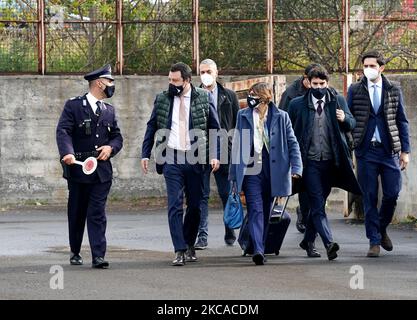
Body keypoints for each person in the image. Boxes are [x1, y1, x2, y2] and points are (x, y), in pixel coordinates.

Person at [141, 62, 221, 266]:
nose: (171, 83)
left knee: (195, 206)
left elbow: (214, 128)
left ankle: (189, 243)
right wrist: (145, 154)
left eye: (175, 80)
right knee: (174, 204)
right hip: (171, 158)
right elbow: (152, 126)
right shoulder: (162, 98)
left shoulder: (204, 97)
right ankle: (179, 249)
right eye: (169, 79)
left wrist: (215, 155)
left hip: (196, 158)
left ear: (186, 80)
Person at [288, 65, 361, 261]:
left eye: (322, 83)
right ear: (308, 83)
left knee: (317, 205)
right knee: (317, 203)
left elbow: (352, 123)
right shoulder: (297, 104)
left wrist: (344, 118)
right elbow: (290, 132)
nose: (319, 87)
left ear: (327, 83)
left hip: (331, 162)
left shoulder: (337, 100)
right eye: (315, 84)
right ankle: (329, 243)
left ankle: (308, 241)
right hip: (309, 162)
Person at [56, 64, 123, 269]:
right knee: (77, 211)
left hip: (101, 171)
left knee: (97, 212)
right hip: (78, 168)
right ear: (98, 83)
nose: (112, 85)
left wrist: (110, 148)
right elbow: (63, 131)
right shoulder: (74, 106)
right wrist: (67, 152)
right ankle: (75, 250)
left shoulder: (109, 111)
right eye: (109, 81)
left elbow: (117, 137)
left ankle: (98, 255)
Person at [229, 82, 302, 265]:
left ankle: (259, 245)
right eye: (249, 94)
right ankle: (259, 250)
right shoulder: (242, 115)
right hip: (251, 170)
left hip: (273, 170)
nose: (250, 98)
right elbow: (237, 145)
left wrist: (296, 168)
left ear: (264, 97)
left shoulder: (281, 116)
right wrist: (234, 176)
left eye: (253, 95)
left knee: (266, 211)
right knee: (255, 209)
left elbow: (292, 142)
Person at [347, 50, 410, 257]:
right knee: (369, 196)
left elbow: (402, 120)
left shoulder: (393, 89)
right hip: (366, 151)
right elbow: (349, 120)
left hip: (389, 150)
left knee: (392, 193)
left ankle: (381, 228)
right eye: (365, 65)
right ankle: (373, 240)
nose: (368, 69)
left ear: (381, 68)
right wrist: (351, 144)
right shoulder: (355, 89)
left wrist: (405, 151)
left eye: (372, 66)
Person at [195, 58, 240, 249]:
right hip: (199, 150)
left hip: (224, 150)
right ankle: (202, 236)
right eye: (202, 72)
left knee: (225, 193)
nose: (205, 75)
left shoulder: (229, 96)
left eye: (208, 71)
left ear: (216, 73)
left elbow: (237, 125)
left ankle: (229, 227)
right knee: (201, 195)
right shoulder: (193, 96)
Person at [278, 63, 319, 234]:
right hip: (295, 145)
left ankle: (307, 215)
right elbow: (281, 118)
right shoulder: (291, 94)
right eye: (312, 82)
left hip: (314, 147)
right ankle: (304, 213)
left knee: (311, 186)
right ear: (305, 78)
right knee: (300, 183)